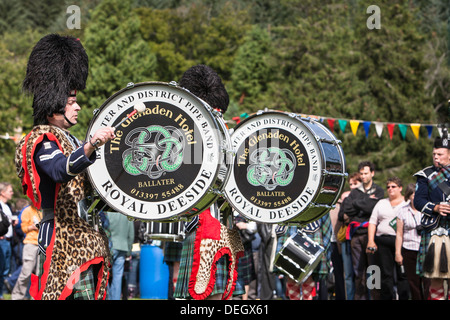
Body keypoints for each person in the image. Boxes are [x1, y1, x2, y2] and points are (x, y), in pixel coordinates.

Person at [14, 34, 116, 300]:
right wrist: (92, 143)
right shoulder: (40, 138)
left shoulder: (71, 139)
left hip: (90, 238)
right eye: (71, 102)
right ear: (52, 108)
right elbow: (60, 170)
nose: (78, 107)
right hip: (63, 240)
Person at [173, 65, 244, 300]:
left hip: (207, 222)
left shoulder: (193, 133)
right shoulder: (224, 134)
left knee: (211, 295)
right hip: (205, 222)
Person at [413, 130, 450, 300]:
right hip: (435, 231)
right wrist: (435, 207)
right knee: (435, 278)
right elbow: (418, 201)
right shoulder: (425, 175)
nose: (436, 157)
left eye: (440, 154)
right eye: (434, 154)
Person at [340, 161, 384, 300]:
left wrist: (358, 204)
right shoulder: (354, 192)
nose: (363, 176)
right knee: (358, 271)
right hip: (356, 236)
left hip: (372, 236)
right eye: (361, 174)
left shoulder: (378, 190)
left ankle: (375, 297)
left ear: (372, 173)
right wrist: (365, 202)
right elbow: (347, 209)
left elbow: (373, 208)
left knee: (374, 270)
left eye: (366, 173)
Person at [367, 177, 409, 300]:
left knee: (403, 274)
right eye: (388, 187)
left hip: (402, 242)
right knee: (386, 274)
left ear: (400, 188)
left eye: (393, 186)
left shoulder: (406, 203)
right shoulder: (381, 203)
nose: (390, 189)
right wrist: (370, 240)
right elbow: (372, 222)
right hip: (383, 241)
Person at [395, 183, 430, 300]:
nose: (415, 196)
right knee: (413, 282)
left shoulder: (427, 210)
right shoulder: (402, 211)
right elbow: (399, 234)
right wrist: (398, 253)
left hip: (425, 249)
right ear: (408, 195)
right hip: (409, 248)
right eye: (412, 194)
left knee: (427, 281)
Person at [334, 171, 362, 299]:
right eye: (350, 184)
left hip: (362, 238)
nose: (352, 187)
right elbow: (341, 216)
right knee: (348, 274)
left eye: (355, 184)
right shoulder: (347, 198)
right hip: (346, 239)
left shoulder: (367, 197)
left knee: (365, 272)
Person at [10, 205, 41, 300]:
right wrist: (33, 226)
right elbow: (23, 228)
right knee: (26, 273)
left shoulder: (43, 210)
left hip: (42, 244)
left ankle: (36, 297)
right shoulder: (27, 210)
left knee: (39, 274)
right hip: (30, 244)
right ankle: (16, 297)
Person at [107, 212, 134, 300]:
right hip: (122, 247)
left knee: (105, 275)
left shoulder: (107, 212)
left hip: (109, 246)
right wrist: (129, 251)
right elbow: (131, 234)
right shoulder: (127, 214)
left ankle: (106, 297)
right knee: (118, 277)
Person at [0, 182, 14, 300]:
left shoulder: (7, 206)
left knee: (6, 269)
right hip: (2, 240)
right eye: (10, 191)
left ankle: (2, 293)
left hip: (9, 240)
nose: (12, 193)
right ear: (2, 192)